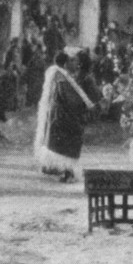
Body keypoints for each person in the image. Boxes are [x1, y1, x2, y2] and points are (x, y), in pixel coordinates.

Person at [34, 49, 95, 183]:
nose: (75, 64)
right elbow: (70, 99)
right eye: (72, 61)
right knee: (65, 145)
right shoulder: (61, 77)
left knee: (59, 144)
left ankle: (62, 170)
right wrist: (83, 106)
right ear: (66, 63)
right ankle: (66, 171)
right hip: (62, 117)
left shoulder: (59, 74)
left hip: (59, 115)